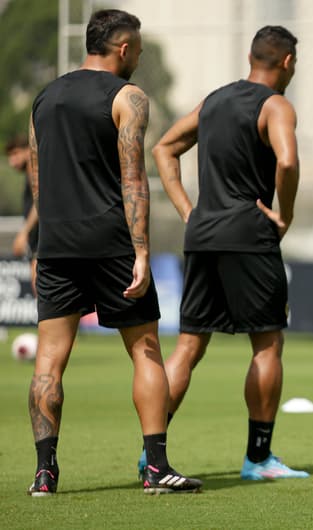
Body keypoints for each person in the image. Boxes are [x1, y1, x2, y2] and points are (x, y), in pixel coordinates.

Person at [27, 8, 201, 496]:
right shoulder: (129, 97)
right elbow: (133, 181)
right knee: (146, 353)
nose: (139, 59)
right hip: (111, 242)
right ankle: (156, 468)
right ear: (123, 48)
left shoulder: (45, 97)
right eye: (138, 51)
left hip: (58, 243)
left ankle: (44, 473)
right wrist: (142, 251)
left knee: (48, 362)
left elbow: (37, 178)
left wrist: (45, 241)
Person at [145, 25, 307, 481]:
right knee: (267, 343)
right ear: (287, 63)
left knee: (189, 346)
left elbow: (163, 148)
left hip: (201, 235)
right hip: (249, 235)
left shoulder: (214, 100)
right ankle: (258, 459)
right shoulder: (275, 105)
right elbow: (288, 161)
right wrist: (285, 214)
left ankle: (152, 456)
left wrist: (188, 211)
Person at [5, 134, 38, 290]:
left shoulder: (33, 166)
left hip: (42, 244)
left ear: (27, 150)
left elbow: (40, 202)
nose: (12, 161)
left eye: (16, 154)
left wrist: (24, 233)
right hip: (38, 242)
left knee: (40, 291)